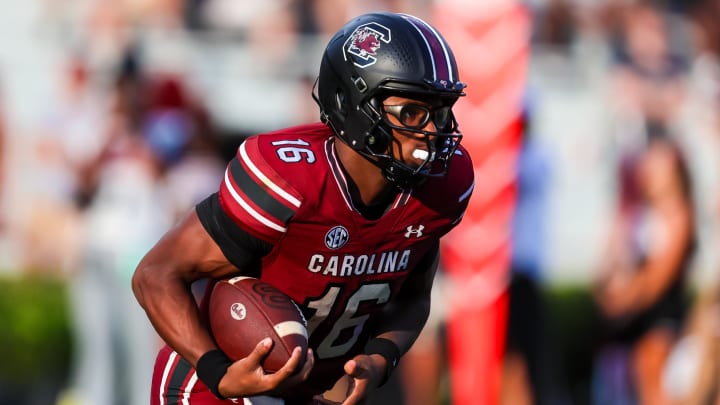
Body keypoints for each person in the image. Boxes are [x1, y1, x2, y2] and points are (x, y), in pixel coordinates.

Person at [132, 11, 474, 405]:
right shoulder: (289, 182)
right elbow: (155, 274)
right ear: (353, 104)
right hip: (211, 394)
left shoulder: (438, 189)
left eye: (441, 112)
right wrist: (218, 373)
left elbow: (413, 298)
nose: (432, 132)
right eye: (412, 112)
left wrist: (381, 357)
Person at [591, 132, 696, 405]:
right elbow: (609, 264)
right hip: (632, 321)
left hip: (660, 320)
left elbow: (657, 279)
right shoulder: (638, 212)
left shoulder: (679, 214)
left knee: (653, 386)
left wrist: (622, 300)